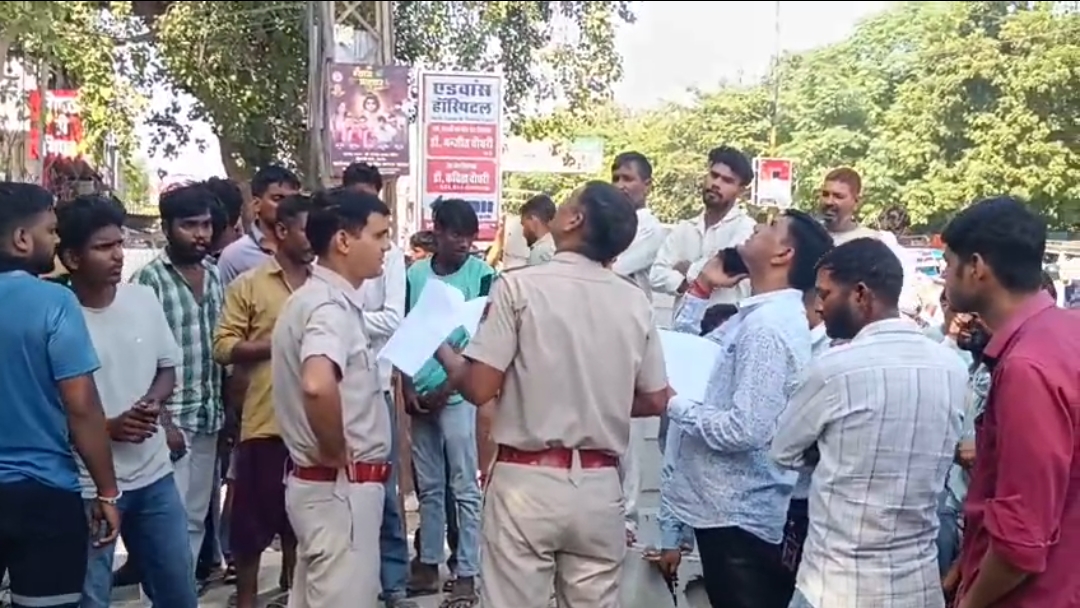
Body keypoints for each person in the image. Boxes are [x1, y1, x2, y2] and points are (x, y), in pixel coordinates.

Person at [430, 180, 670, 608]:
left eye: (567, 203)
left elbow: (481, 387)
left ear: (576, 220)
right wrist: (599, 398)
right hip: (599, 483)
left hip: (528, 479)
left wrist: (444, 351)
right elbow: (655, 398)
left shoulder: (519, 286)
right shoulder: (634, 302)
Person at [773, 237, 969, 608]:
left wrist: (833, 448)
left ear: (860, 294)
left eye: (825, 294)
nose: (818, 305)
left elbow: (782, 452)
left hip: (834, 588)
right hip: (916, 587)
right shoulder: (951, 370)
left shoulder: (834, 370)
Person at [660, 209, 832, 608]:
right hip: (724, 513)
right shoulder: (755, 317)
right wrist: (701, 288)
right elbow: (687, 358)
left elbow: (746, 429)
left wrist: (674, 404)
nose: (756, 226)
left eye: (770, 226)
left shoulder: (768, 327)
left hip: (740, 517)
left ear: (783, 253)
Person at [56, 195, 196, 608]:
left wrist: (152, 403)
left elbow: (166, 370)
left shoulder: (142, 300)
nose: (118, 255)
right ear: (72, 257)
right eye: (103, 247)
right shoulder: (57, 315)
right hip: (87, 485)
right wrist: (109, 428)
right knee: (91, 598)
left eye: (120, 244)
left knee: (178, 591)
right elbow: (50, 410)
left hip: (154, 479)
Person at [944, 197, 1080, 608]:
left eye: (949, 264)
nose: (945, 278)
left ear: (977, 268)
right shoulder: (1064, 332)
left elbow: (1023, 534)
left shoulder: (1027, 366)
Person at [271, 187, 393, 608]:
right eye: (378, 236)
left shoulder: (314, 298)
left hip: (326, 488)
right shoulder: (328, 307)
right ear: (344, 240)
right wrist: (336, 450)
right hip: (341, 487)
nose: (387, 247)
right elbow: (317, 383)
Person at [0, 182, 120, 608]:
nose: (55, 240)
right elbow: (81, 405)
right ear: (21, 239)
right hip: (44, 495)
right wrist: (107, 492)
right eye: (50, 231)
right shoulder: (55, 302)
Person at [213, 194, 315, 608]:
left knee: (303, 529)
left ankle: (294, 596)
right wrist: (275, 344)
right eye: (308, 228)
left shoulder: (326, 284)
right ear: (280, 231)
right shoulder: (249, 285)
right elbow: (222, 346)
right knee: (251, 531)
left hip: (313, 427)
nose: (314, 239)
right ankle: (247, 601)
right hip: (264, 423)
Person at [401, 199, 494, 603]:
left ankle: (467, 570)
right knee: (430, 486)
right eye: (455, 233)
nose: (463, 242)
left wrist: (447, 389)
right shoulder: (415, 275)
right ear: (436, 230)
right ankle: (428, 561)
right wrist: (406, 386)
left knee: (464, 483)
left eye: (469, 236)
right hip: (419, 389)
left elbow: (483, 342)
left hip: (458, 394)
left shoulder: (484, 275)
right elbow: (404, 330)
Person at [131, 184, 226, 566]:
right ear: (167, 227)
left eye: (205, 225)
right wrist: (164, 423)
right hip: (169, 420)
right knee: (166, 524)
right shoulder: (148, 281)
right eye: (190, 225)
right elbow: (139, 360)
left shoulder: (216, 276)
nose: (201, 234)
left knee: (194, 520)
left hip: (209, 417)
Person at [346, 170, 416, 608]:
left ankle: (393, 584)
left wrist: (345, 317)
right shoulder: (320, 272)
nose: (386, 242)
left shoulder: (387, 258)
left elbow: (393, 319)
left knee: (382, 489)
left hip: (375, 387)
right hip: (336, 394)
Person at [650, 146, 758, 305]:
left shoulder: (747, 229)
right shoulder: (685, 229)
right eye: (714, 175)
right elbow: (655, 275)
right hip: (681, 326)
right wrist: (684, 284)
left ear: (741, 191)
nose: (716, 183)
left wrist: (687, 269)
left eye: (727, 180)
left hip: (722, 326)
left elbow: (725, 268)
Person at [777, 288, 831, 592]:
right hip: (792, 496)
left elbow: (786, 449)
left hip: (807, 494)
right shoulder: (804, 344)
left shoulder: (826, 354)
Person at [217, 165, 301, 285]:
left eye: (293, 200)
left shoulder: (309, 250)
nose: (288, 206)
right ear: (257, 204)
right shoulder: (234, 256)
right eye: (278, 199)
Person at [610, 151, 666, 296]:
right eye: (616, 179)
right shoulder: (609, 223)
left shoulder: (649, 229)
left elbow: (611, 270)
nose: (620, 186)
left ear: (647, 186)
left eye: (628, 179)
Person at [520, 194, 557, 266]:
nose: (523, 232)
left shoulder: (540, 253)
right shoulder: (559, 246)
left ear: (533, 219)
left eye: (524, 225)